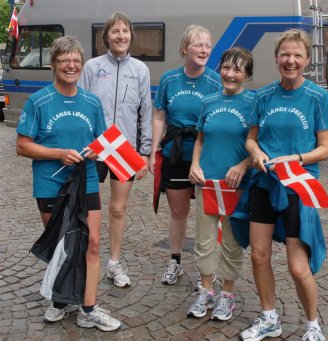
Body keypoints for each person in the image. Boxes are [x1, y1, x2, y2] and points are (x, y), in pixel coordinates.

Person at [239, 29, 328, 341]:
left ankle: (312, 325)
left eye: (297, 55)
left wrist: (294, 158)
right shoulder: (263, 96)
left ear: (307, 60)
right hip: (264, 183)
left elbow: (326, 148)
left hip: (298, 186)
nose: (290, 60)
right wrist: (255, 153)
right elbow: (251, 138)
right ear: (276, 58)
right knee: (259, 256)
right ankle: (269, 318)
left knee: (297, 266)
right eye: (285, 55)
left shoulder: (317, 97)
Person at [16, 35, 121, 331]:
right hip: (51, 185)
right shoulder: (39, 100)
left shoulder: (91, 102)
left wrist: (98, 150)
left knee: (93, 243)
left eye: (76, 61)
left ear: (82, 64)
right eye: (64, 61)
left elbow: (102, 142)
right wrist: (57, 153)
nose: (71, 66)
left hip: (86, 180)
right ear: (53, 65)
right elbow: (22, 146)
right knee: (62, 245)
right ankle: (61, 300)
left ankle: (89, 307)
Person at [78, 12, 152, 288]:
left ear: (131, 35)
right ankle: (86, 259)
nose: (120, 36)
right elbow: (80, 106)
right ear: (105, 36)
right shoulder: (92, 67)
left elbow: (146, 112)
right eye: (115, 31)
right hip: (95, 148)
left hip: (124, 149)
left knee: (118, 209)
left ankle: (113, 264)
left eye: (125, 31)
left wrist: (145, 152)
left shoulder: (140, 70)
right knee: (87, 208)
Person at [149, 25, 221, 287]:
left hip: (205, 159)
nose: (204, 50)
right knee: (178, 212)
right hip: (174, 155)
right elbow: (159, 115)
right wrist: (154, 149)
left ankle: (207, 271)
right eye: (198, 45)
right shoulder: (169, 79)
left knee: (207, 216)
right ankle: (175, 261)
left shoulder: (215, 80)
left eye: (207, 45)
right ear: (185, 48)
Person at [187, 47, 254, 321]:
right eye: (226, 67)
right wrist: (194, 165)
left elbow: (259, 145)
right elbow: (200, 140)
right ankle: (205, 291)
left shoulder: (253, 103)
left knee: (232, 242)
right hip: (207, 182)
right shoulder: (208, 102)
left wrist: (244, 165)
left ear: (247, 75)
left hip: (235, 185)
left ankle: (227, 294)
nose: (230, 73)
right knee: (204, 241)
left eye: (237, 69)